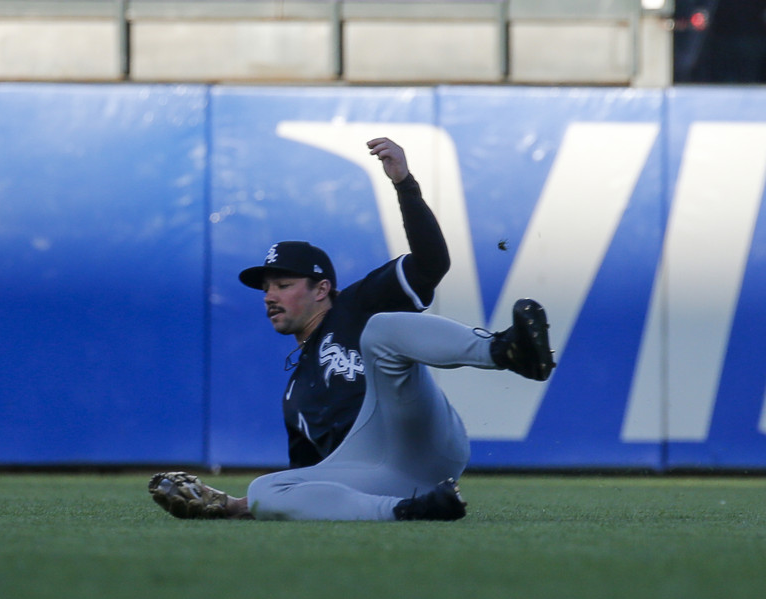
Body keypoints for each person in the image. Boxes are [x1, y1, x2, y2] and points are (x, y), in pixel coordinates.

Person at [149, 137, 555, 521]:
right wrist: (237, 505)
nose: (270, 296)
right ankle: (411, 511)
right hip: (379, 477)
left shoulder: (357, 304)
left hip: (425, 438)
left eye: (284, 285)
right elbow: (311, 487)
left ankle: (505, 351)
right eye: (266, 288)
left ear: (322, 289)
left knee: (380, 330)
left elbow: (431, 263)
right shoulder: (294, 395)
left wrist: (405, 186)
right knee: (264, 490)